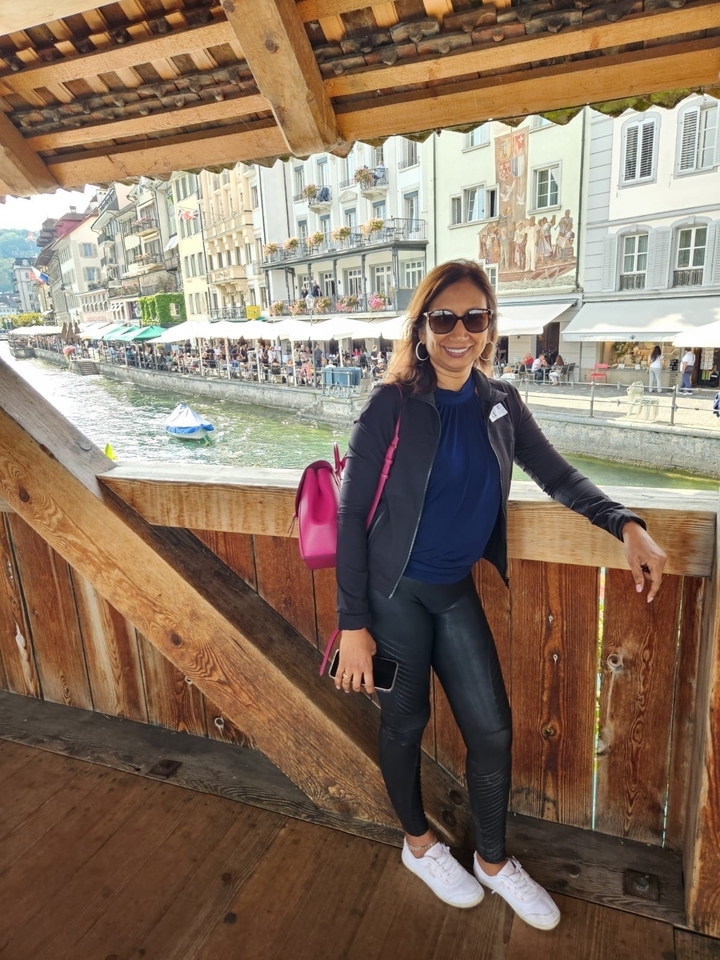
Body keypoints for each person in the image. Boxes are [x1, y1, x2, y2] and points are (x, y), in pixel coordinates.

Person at [334, 260, 666, 930]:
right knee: (404, 724)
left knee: (492, 729)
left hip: (453, 591)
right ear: (422, 325)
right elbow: (350, 516)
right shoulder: (391, 402)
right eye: (445, 318)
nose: (460, 332)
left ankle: (491, 860)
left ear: (491, 327)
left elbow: (556, 474)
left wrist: (623, 522)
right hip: (392, 594)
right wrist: (353, 625)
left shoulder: (501, 403)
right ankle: (419, 846)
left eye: (474, 318)